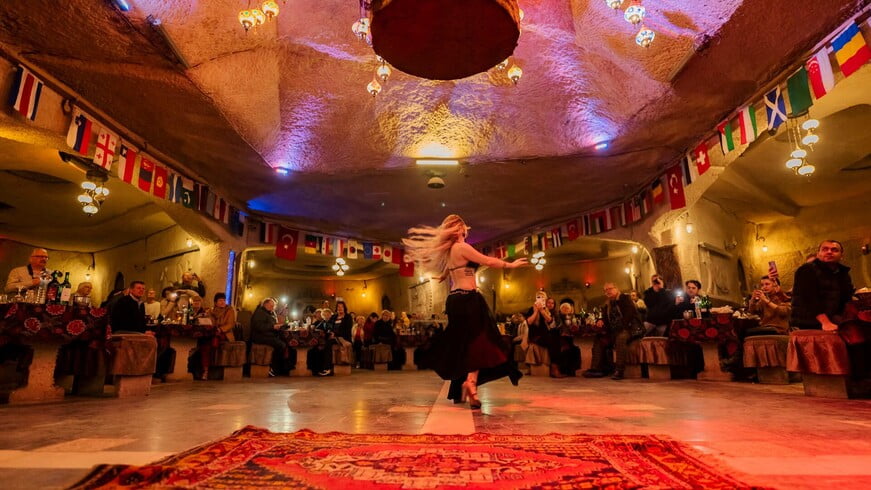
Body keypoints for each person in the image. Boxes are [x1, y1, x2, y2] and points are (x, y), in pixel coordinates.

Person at [403, 214, 527, 409]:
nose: (466, 229)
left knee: (467, 344)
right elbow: (488, 261)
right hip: (468, 299)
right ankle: (470, 382)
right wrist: (510, 264)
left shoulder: (451, 251)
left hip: (454, 300)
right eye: (463, 226)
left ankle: (469, 383)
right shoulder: (463, 247)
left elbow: (451, 268)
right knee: (482, 341)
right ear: (458, 229)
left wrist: (445, 276)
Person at [791, 240, 854, 331]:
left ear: (841, 256)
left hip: (832, 319)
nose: (829, 252)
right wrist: (826, 323)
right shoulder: (807, 270)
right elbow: (810, 299)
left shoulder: (842, 273)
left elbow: (846, 299)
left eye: (834, 250)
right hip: (808, 322)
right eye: (825, 249)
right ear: (818, 254)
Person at [586, 282, 643, 380]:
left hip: (630, 329)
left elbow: (629, 315)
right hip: (614, 331)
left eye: (609, 289)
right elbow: (606, 320)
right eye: (605, 290)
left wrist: (618, 329)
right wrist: (601, 321)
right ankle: (596, 369)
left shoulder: (625, 298)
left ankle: (619, 370)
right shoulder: (607, 304)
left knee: (620, 337)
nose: (607, 291)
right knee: (599, 338)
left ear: (616, 289)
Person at [250, 298, 291, 377]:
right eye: (271, 305)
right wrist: (273, 327)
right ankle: (274, 369)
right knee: (280, 345)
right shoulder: (260, 313)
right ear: (265, 304)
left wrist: (279, 326)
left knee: (285, 341)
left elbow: (272, 324)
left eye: (274, 306)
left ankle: (285, 367)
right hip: (260, 336)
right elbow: (258, 326)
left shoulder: (269, 313)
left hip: (268, 334)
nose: (273, 307)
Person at [525, 290, 561, 377]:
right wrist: (536, 311)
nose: (540, 299)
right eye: (538, 297)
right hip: (535, 336)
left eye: (543, 298)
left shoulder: (547, 310)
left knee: (556, 339)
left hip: (545, 334)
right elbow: (529, 322)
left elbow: (550, 322)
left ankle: (555, 366)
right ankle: (554, 367)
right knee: (553, 342)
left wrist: (542, 311)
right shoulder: (531, 309)